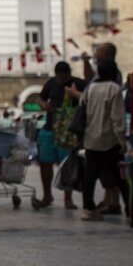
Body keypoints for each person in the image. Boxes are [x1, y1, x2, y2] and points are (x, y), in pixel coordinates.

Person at [81, 59, 127, 221]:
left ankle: (88, 208)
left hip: (90, 139)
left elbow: (82, 108)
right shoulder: (114, 89)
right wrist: (122, 140)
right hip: (109, 140)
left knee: (90, 175)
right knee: (120, 176)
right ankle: (129, 208)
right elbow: (117, 118)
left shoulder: (90, 88)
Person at [37, 61, 87, 209]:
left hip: (69, 131)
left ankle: (68, 198)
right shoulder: (51, 83)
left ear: (69, 74)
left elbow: (88, 98)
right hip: (50, 127)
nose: (61, 80)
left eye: (63, 78)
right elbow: (40, 98)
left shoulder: (78, 83)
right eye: (59, 77)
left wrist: (74, 94)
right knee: (45, 162)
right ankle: (47, 195)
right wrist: (45, 105)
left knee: (66, 164)